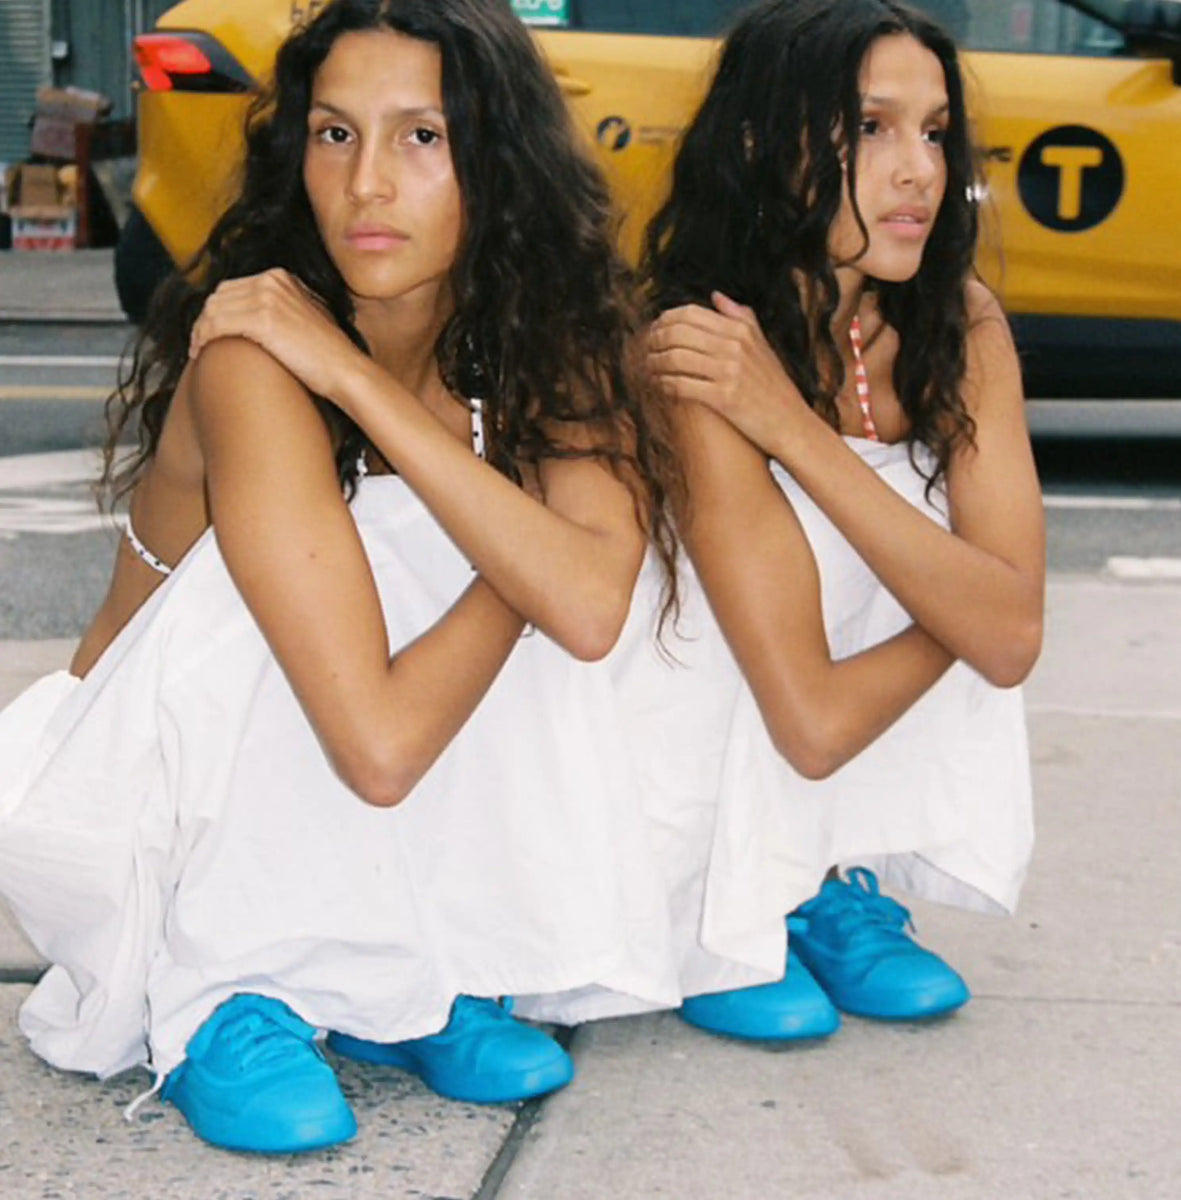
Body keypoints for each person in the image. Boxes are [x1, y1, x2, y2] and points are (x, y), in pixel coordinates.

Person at [0, 0, 685, 1154]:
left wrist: (368, 391)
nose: (370, 182)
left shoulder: (540, 340)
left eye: (422, 137)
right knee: (456, 544)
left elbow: (594, 611)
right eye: (334, 134)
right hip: (151, 808)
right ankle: (233, 987)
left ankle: (403, 966)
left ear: (496, 159)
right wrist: (523, 546)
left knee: (482, 540)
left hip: (349, 758)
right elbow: (376, 742)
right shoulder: (256, 353)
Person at [631, 0, 1043, 1039]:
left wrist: (795, 430)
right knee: (919, 561)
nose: (919, 170)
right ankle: (712, 904)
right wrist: (964, 605)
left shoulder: (959, 320)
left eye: (935, 131)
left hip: (828, 716)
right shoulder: (696, 342)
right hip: (688, 741)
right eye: (871, 128)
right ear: (766, 144)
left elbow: (1014, 636)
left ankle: (827, 875)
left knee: (911, 546)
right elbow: (811, 722)